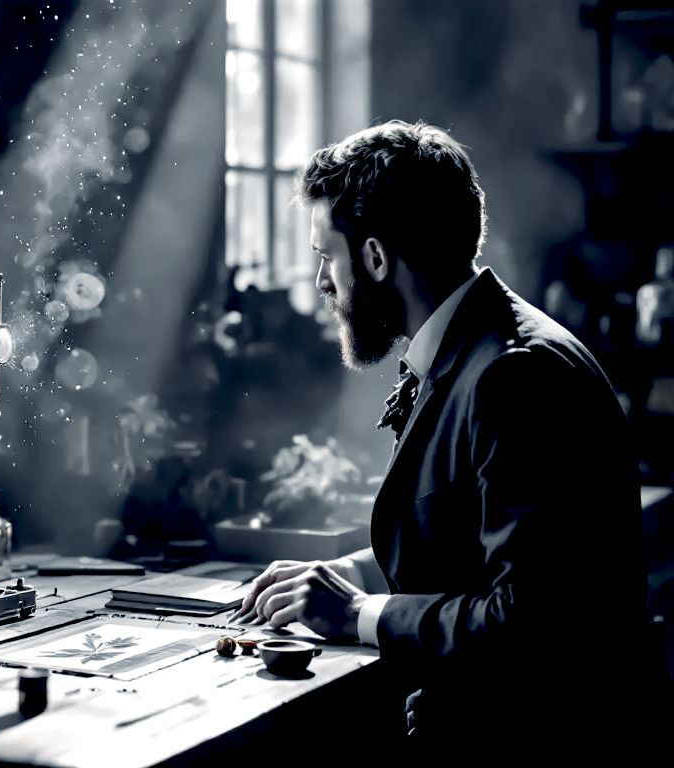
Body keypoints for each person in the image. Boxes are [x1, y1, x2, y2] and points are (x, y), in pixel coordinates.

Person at [229, 120, 652, 747]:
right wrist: (340, 574)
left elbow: (526, 622)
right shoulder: (472, 346)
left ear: (375, 258)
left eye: (327, 257)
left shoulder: (514, 375)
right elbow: (459, 539)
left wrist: (352, 614)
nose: (321, 283)